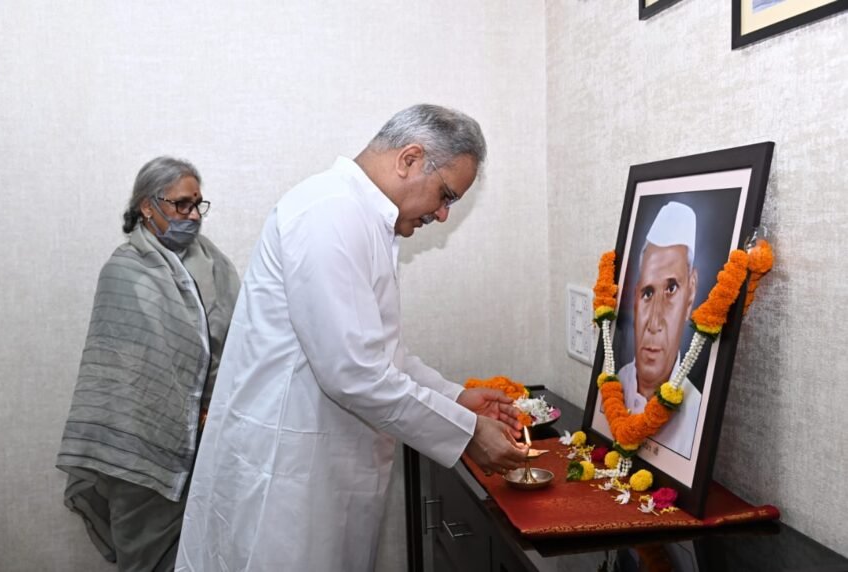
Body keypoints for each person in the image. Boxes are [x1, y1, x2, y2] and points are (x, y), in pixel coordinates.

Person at [175, 104, 528, 572]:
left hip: (321, 474)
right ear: (410, 159)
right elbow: (355, 373)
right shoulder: (330, 213)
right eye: (445, 195)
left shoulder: (363, 218)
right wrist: (466, 436)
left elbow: (381, 354)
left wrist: (456, 396)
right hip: (286, 481)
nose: (442, 215)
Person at [56, 157, 240, 571]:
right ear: (147, 206)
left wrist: (216, 402)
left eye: (198, 204)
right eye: (181, 205)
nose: (193, 215)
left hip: (209, 442)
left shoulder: (213, 262)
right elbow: (125, 372)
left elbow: (239, 337)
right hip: (141, 449)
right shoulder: (124, 271)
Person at [617, 201, 703, 458]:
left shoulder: (698, 413)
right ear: (634, 300)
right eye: (647, 293)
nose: (654, 323)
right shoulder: (612, 385)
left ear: (691, 294)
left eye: (671, 289)